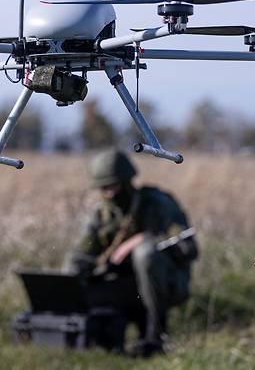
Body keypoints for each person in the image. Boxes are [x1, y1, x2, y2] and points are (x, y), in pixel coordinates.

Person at [68, 148, 198, 356]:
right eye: (104, 188)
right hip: (125, 287)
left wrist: (143, 240)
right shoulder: (103, 214)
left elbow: (188, 249)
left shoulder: (157, 203)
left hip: (170, 283)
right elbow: (81, 256)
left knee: (145, 254)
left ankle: (156, 336)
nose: (109, 193)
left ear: (126, 181)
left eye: (113, 186)